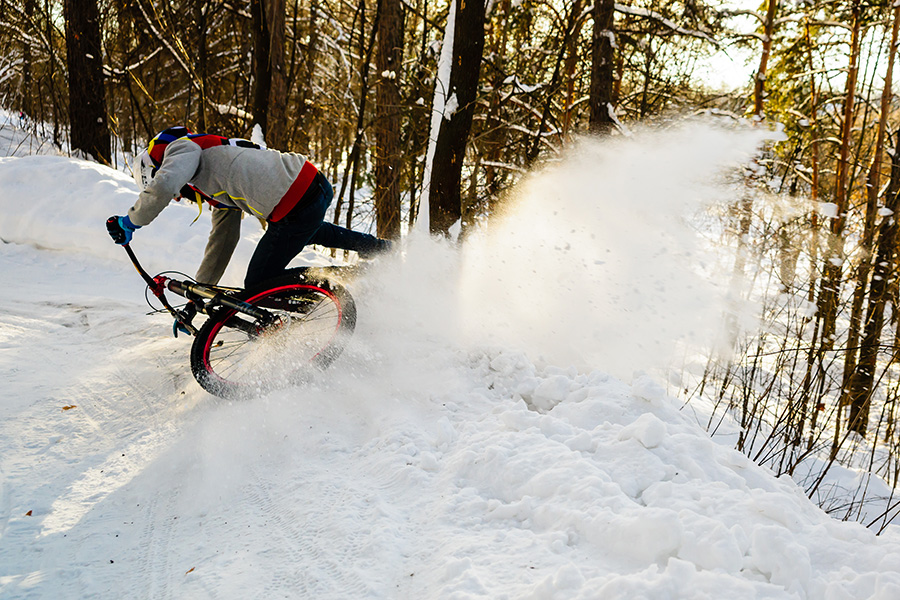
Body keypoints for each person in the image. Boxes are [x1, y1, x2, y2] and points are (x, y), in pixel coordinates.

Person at [107, 126, 391, 289]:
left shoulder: (183, 149)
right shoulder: (212, 177)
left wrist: (131, 222)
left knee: (257, 284)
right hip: (310, 186)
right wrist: (200, 293)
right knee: (312, 232)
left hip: (295, 198)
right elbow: (223, 241)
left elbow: (166, 184)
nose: (179, 198)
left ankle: (340, 284)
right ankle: (382, 250)